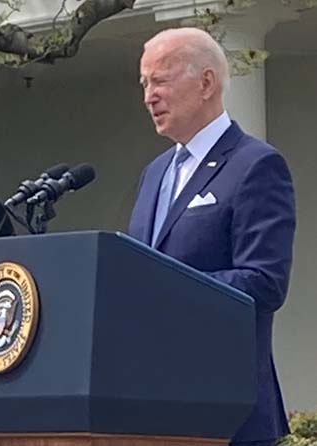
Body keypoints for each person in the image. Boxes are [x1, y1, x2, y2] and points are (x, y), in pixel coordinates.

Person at [129, 28, 295, 446]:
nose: (150, 96)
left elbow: (265, 282)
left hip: (226, 413)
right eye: (145, 84)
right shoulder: (155, 173)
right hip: (152, 411)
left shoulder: (256, 165)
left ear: (206, 83)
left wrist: (163, 286)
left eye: (161, 81)